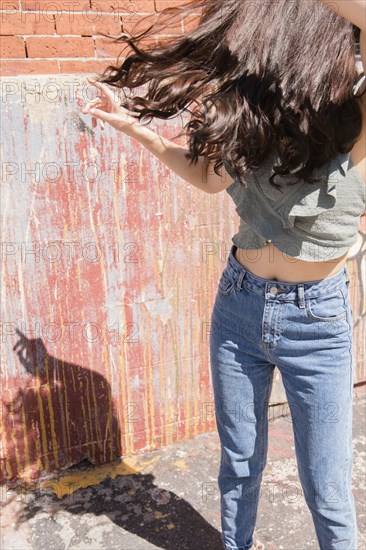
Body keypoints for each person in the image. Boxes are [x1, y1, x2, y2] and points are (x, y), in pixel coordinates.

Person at [80, 1, 366, 548]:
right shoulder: (256, 114)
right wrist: (139, 131)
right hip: (238, 305)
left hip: (317, 322)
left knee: (327, 487)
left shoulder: (357, 124)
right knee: (237, 463)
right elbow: (209, 179)